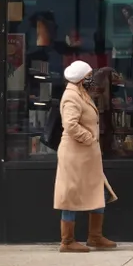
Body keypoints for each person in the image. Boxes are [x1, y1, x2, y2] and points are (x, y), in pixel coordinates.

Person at [54, 60, 119, 253]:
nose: (92, 79)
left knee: (97, 190)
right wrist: (89, 138)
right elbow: (70, 124)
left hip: (86, 155)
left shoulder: (81, 93)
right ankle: (67, 241)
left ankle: (95, 236)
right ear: (82, 79)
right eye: (89, 76)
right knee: (71, 194)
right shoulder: (71, 96)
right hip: (75, 154)